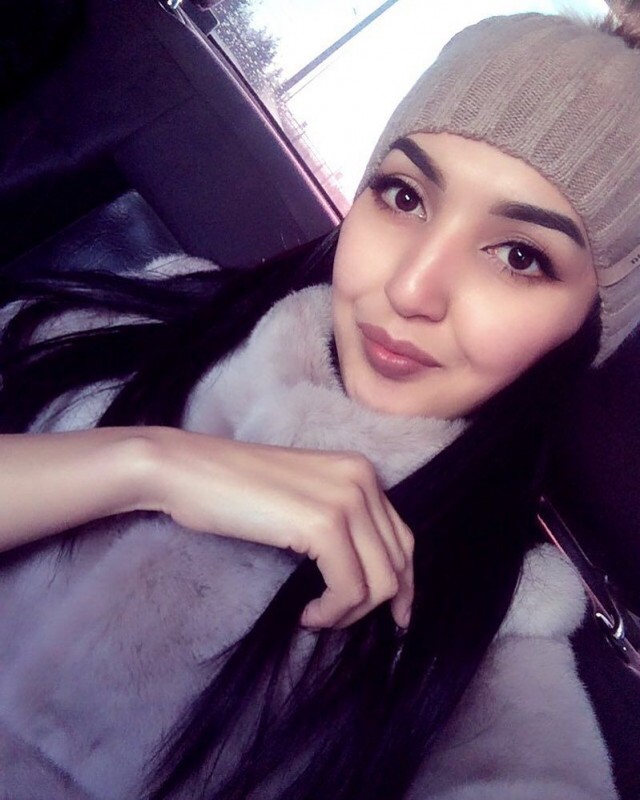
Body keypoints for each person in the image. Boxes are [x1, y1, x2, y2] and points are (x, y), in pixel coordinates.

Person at [0, 8, 638, 800]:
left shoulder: (491, 636)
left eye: (519, 256)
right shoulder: (145, 319)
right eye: (403, 196)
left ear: (588, 325)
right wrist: (142, 464)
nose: (411, 288)